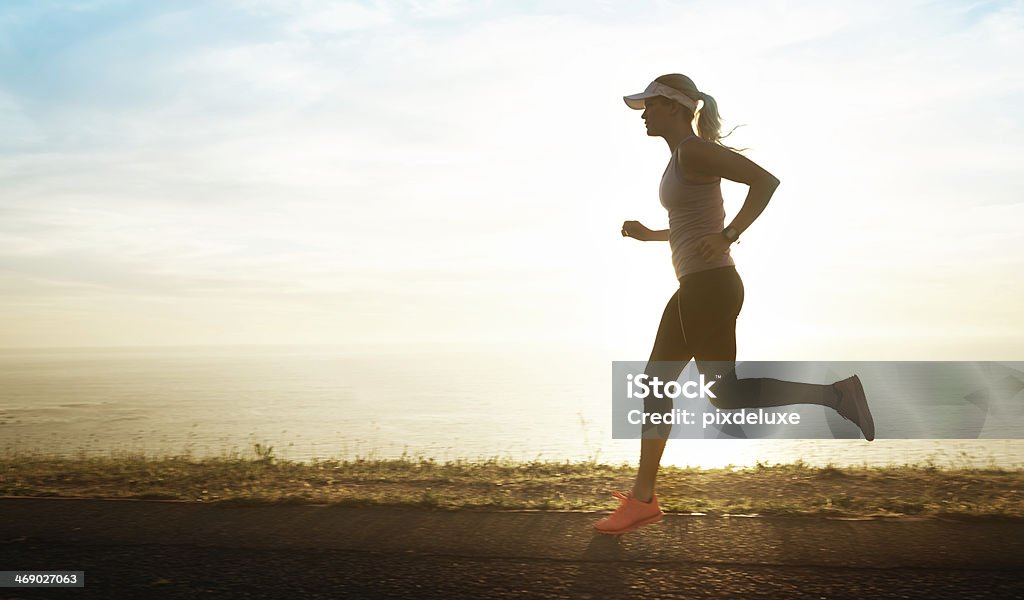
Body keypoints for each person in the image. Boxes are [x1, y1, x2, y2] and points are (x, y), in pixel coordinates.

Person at [593, 74, 875, 535]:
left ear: (674, 106)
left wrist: (730, 234)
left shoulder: (692, 151)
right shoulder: (680, 159)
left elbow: (765, 182)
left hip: (709, 286)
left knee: (665, 384)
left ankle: (643, 499)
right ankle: (835, 395)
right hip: (703, 286)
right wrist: (652, 235)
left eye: (649, 105)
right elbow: (692, 225)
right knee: (711, 393)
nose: (643, 114)